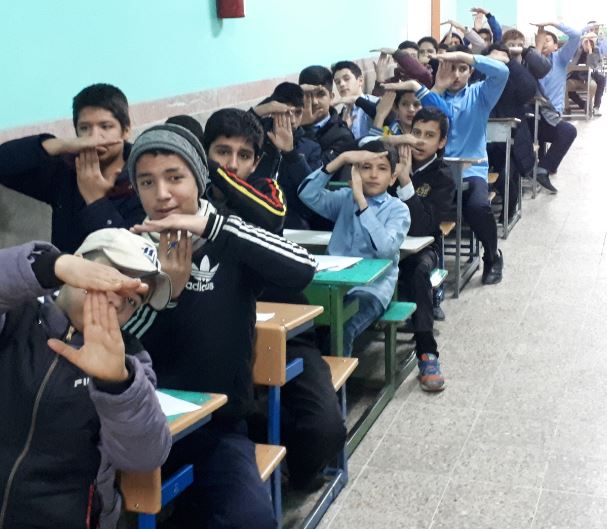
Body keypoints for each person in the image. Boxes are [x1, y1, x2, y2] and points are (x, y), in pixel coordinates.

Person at [125, 123, 317, 529]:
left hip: (219, 428)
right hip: (140, 427)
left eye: (175, 178)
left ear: (199, 179)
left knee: (250, 519)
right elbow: (118, 344)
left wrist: (213, 228)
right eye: (147, 182)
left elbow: (303, 268)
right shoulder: (128, 247)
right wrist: (167, 293)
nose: (162, 194)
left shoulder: (229, 235)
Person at [0, 228, 172, 529]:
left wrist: (117, 385)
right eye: (112, 280)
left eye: (133, 301)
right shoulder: (16, 313)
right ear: (78, 264)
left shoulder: (129, 361)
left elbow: (145, 455)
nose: (119, 304)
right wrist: (50, 265)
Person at [0, 83, 144, 253]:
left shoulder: (144, 177)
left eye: (106, 126)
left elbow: (133, 253)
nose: (94, 137)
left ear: (126, 130)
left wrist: (96, 201)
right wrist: (61, 145)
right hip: (64, 269)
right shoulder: (66, 169)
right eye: (84, 128)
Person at [298, 141, 410, 356]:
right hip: (331, 283)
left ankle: (335, 379)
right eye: (366, 167)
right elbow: (306, 194)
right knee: (302, 323)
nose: (373, 175)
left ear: (392, 177)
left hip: (371, 289)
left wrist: (361, 202)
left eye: (382, 168)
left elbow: (385, 250)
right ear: (355, 172)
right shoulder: (344, 199)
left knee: (343, 328)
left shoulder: (398, 210)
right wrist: (340, 160)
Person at [432, 48, 509, 285]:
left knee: (477, 207)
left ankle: (492, 256)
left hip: (472, 169)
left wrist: (465, 56)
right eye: (451, 68)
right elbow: (424, 117)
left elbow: (502, 72)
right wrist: (437, 88)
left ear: (471, 71)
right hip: (438, 170)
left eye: (462, 69)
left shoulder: (480, 94)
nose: (456, 75)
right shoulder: (435, 95)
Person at [391, 108, 454, 392]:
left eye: (429, 135)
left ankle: (427, 352)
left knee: (418, 273)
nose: (420, 141)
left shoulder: (443, 177)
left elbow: (423, 228)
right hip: (385, 241)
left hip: (424, 248)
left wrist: (405, 181)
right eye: (416, 133)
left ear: (441, 142)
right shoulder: (389, 162)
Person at [502, 27, 578, 193]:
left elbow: (543, 67)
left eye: (519, 44)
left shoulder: (528, 62)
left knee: (568, 131)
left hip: (536, 115)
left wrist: (527, 50)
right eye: (511, 45)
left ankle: (542, 170)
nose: (515, 48)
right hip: (511, 120)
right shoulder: (499, 65)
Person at [201, 108, 287, 232]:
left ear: (255, 163)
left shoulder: (266, 188)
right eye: (223, 152)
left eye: (244, 156)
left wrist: (214, 170)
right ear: (206, 153)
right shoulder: (196, 194)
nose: (233, 165)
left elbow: (275, 218)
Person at [298, 65, 357, 169]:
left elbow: (315, 172)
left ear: (331, 97)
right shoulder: (292, 124)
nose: (314, 102)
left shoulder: (343, 136)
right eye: (308, 95)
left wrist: (306, 128)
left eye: (320, 94)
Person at [331, 60, 379, 139]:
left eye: (346, 79)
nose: (341, 84)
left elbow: (386, 118)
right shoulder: (340, 116)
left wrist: (355, 99)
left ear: (360, 80)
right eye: (337, 82)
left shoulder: (375, 102)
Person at [567, 32, 604, 116]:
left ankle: (596, 107)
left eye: (591, 42)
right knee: (567, 85)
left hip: (591, 74)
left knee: (602, 78)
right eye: (586, 42)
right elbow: (572, 63)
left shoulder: (596, 50)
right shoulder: (578, 50)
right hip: (577, 74)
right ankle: (583, 104)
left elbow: (592, 65)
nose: (588, 44)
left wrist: (590, 52)